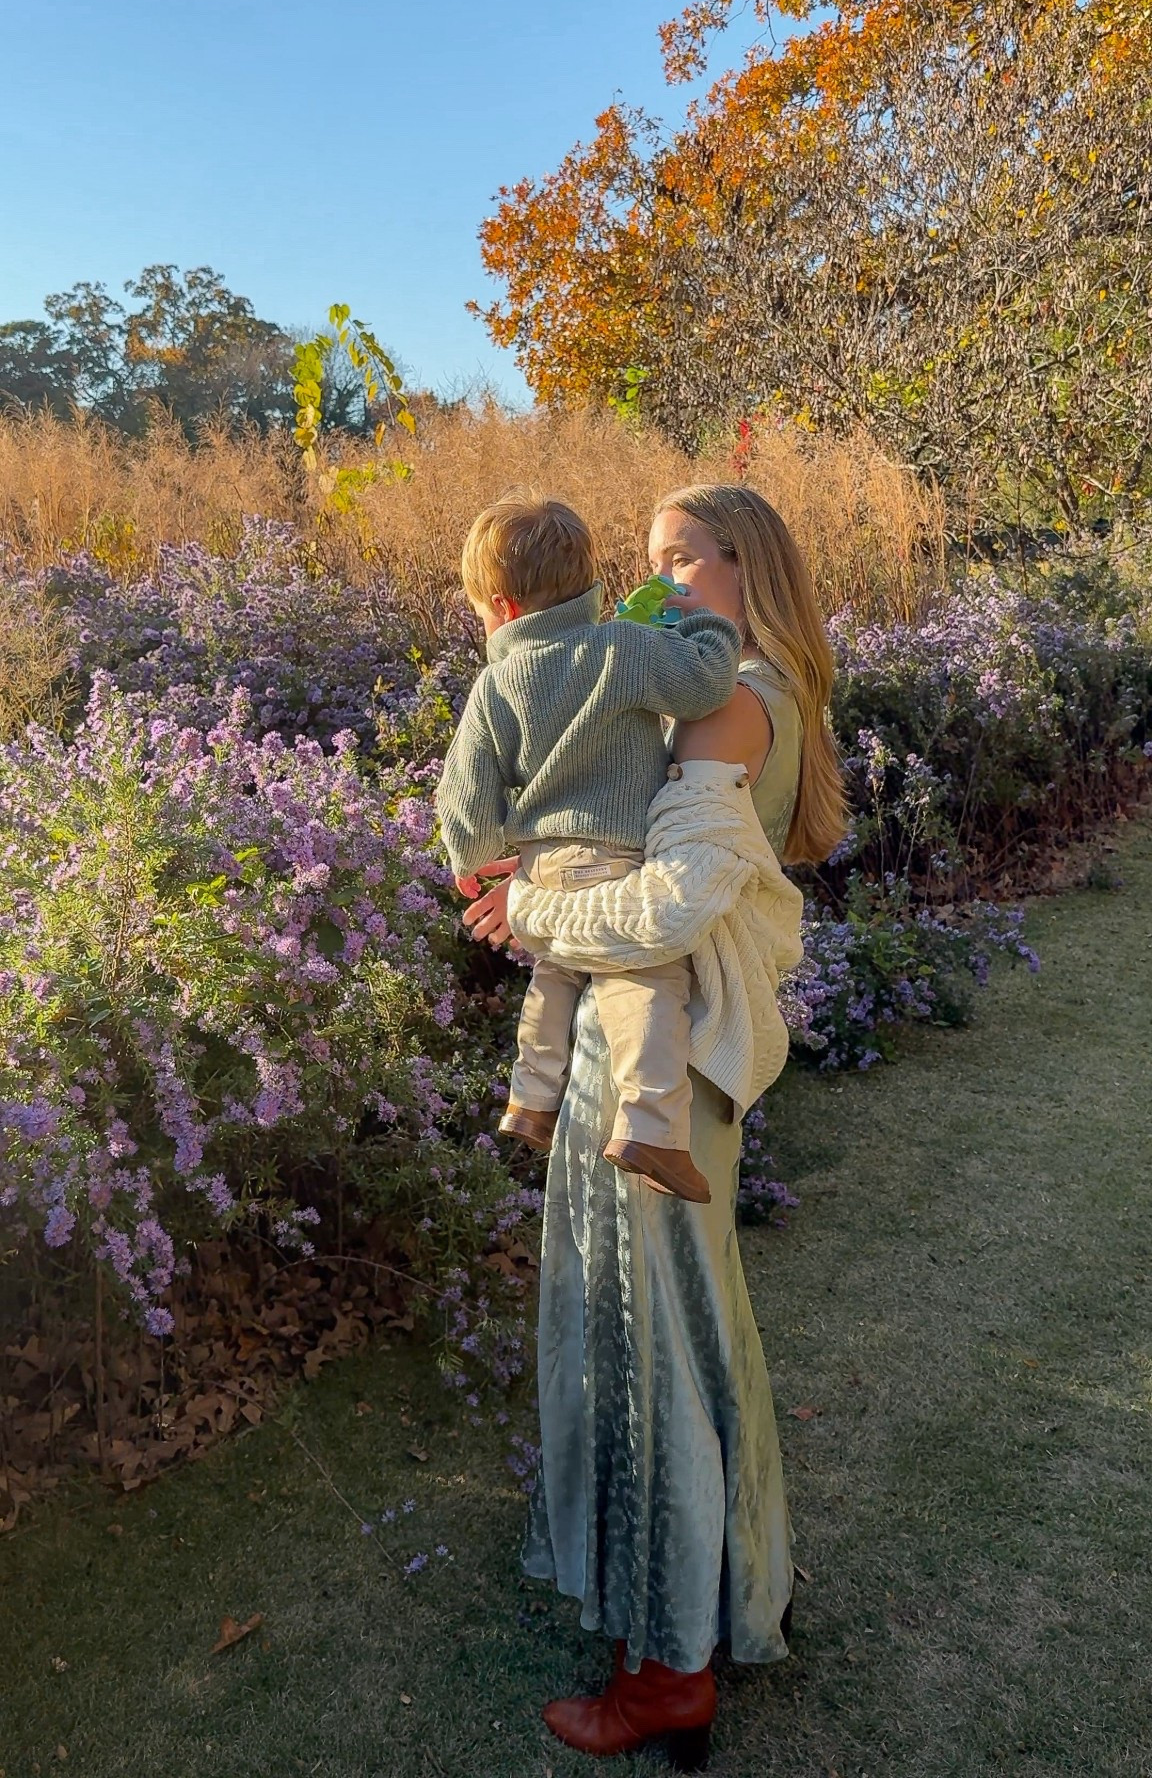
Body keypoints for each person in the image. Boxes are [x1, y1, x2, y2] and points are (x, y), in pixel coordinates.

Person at [461, 484, 848, 1769]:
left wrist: (531, 916)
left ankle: (665, 1669)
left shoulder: (734, 696)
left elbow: (671, 906)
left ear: (749, 562)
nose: (656, 582)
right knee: (698, 1336)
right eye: (646, 561)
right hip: (680, 1062)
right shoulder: (746, 688)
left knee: (647, 1358)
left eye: (679, 558)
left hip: (657, 1074)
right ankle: (731, 1598)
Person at [436, 494, 742, 1202]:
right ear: (591, 586)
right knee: (647, 980)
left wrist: (474, 861)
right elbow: (707, 682)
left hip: (542, 866)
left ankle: (532, 1100)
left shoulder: (495, 684)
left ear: (506, 610)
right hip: (615, 858)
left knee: (556, 973)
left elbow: (465, 792)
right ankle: (651, 1128)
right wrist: (706, 623)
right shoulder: (625, 648)